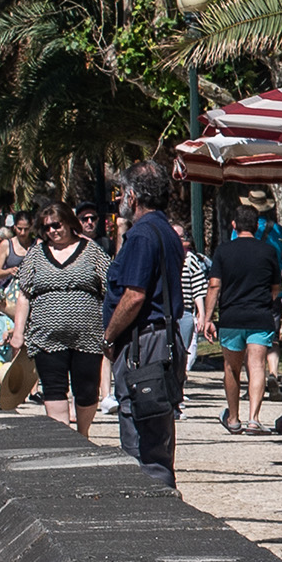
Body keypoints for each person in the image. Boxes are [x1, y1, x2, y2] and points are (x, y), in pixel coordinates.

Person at [101, 169, 192, 486]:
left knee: (142, 439)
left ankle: (153, 501)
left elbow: (134, 296)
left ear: (132, 195)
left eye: (121, 193)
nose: (119, 200)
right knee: (157, 430)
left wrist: (109, 336)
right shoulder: (164, 230)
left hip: (145, 343)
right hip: (162, 339)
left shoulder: (142, 235)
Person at [18, 206, 111, 439]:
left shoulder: (92, 251)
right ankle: (65, 439)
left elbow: (109, 290)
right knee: (53, 388)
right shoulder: (36, 254)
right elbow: (24, 295)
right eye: (47, 227)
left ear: (69, 223)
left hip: (87, 336)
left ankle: (82, 434)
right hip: (46, 337)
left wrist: (111, 329)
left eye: (56, 225)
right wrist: (19, 332)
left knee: (87, 389)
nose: (52, 231)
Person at [206, 197, 282, 432]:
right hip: (259, 316)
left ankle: (233, 418)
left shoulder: (223, 251)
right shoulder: (268, 252)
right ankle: (254, 419)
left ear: (234, 225)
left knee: (231, 368)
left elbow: (214, 286)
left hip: (231, 316)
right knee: (257, 366)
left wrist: (208, 318)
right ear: (256, 225)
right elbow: (275, 287)